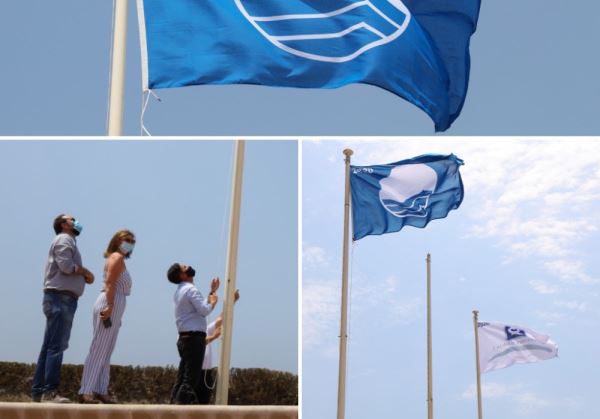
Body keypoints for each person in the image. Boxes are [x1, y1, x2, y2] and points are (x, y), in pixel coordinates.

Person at [32, 214, 95, 403]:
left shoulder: (68, 241)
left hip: (59, 298)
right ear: (63, 225)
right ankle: (49, 392)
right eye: (72, 219)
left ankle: (39, 391)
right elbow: (66, 266)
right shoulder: (64, 239)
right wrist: (85, 272)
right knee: (56, 346)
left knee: (49, 346)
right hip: (61, 298)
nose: (76, 222)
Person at [78, 229, 136, 404]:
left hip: (115, 305)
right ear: (117, 241)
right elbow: (110, 282)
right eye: (127, 239)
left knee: (106, 350)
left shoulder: (119, 259)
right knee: (99, 348)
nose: (130, 243)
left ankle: (100, 389)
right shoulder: (116, 257)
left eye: (132, 241)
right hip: (109, 302)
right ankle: (86, 391)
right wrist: (110, 307)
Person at [167, 263, 219, 404]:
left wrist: (212, 292)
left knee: (182, 377)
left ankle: (171, 407)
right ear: (182, 275)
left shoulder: (180, 291)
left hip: (185, 338)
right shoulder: (191, 290)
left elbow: (198, 306)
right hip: (194, 339)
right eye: (184, 266)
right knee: (190, 380)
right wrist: (213, 302)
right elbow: (204, 310)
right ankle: (179, 409)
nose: (188, 266)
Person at [197, 289, 240, 404]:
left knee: (203, 405)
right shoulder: (187, 331)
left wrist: (232, 302)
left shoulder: (205, 329)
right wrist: (214, 337)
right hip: (195, 373)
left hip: (206, 373)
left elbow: (220, 320)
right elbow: (197, 343)